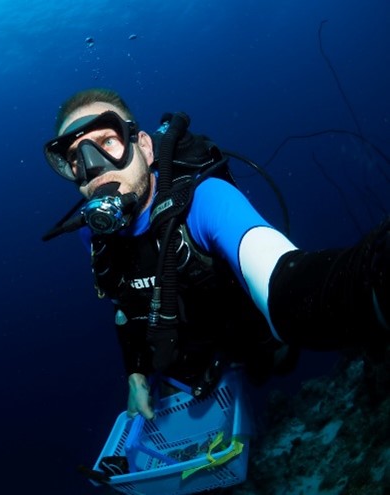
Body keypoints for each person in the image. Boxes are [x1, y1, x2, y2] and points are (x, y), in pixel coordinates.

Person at [42, 87, 389, 420]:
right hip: (196, 351)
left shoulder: (204, 200)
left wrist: (373, 275)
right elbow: (124, 308)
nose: (93, 166)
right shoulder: (94, 236)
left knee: (272, 366)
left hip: (249, 336)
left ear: (144, 147)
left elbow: (282, 278)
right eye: (75, 157)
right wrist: (135, 373)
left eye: (107, 142)